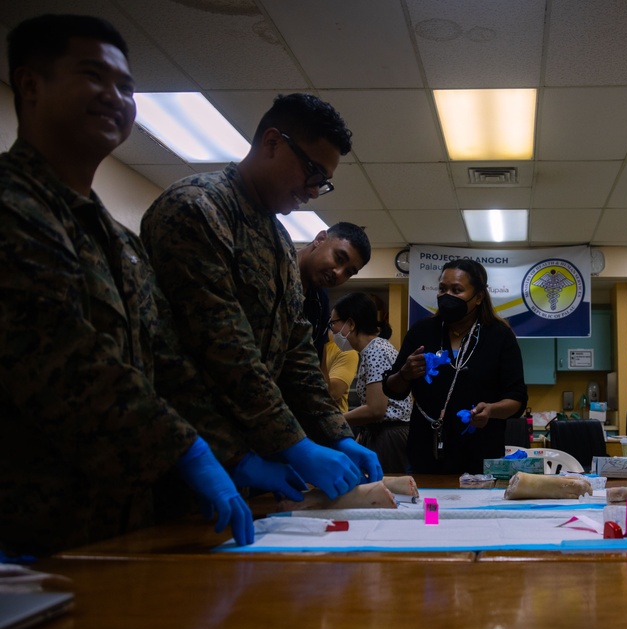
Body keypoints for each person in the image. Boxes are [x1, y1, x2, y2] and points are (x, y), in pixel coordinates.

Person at [0, 14, 252, 554]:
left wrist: (235, 453)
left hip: (121, 523)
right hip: (27, 523)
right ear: (30, 85)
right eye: (95, 77)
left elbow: (169, 365)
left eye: (127, 86)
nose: (116, 97)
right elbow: (65, 362)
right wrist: (188, 451)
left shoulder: (120, 241)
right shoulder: (13, 206)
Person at [140, 92, 383, 503]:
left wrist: (335, 434)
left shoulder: (280, 243)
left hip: (253, 457)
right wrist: (291, 444)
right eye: (311, 172)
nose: (313, 190)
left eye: (323, 181)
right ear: (272, 142)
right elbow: (223, 349)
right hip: (188, 454)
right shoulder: (198, 209)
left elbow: (296, 355)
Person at [384, 259, 528, 474]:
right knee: (428, 508)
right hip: (426, 451)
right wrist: (405, 373)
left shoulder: (499, 336)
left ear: (478, 297)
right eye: (442, 289)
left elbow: (517, 399)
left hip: (481, 453)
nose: (447, 295)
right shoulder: (422, 332)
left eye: (457, 290)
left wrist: (491, 410)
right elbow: (392, 390)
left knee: (478, 508)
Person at [332, 292, 412, 473]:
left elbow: (375, 409)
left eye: (333, 324)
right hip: (380, 433)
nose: (332, 331)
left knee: (387, 495)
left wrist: (334, 420)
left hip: (389, 437)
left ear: (350, 324)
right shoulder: (372, 350)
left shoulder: (376, 351)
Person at [297, 221, 371, 357]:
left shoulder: (320, 299)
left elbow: (317, 355)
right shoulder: (274, 266)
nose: (339, 273)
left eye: (348, 272)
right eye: (339, 258)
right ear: (320, 239)